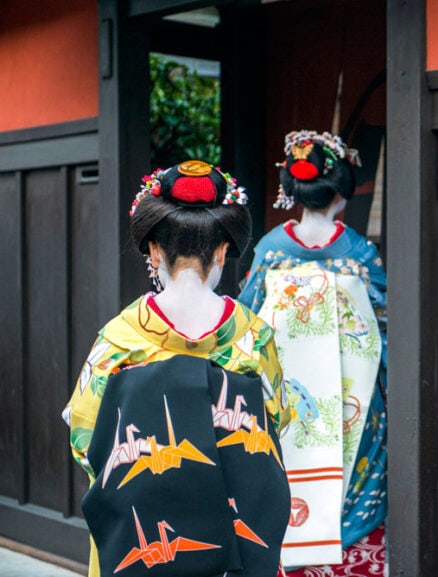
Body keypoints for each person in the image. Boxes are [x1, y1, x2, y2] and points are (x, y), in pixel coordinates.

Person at [63, 160, 291, 577]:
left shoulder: (119, 340)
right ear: (222, 251)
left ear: (154, 250)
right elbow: (277, 423)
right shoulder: (253, 337)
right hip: (236, 534)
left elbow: (84, 436)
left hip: (141, 537)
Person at [238, 130, 387, 576]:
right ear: (342, 191)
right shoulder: (359, 254)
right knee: (354, 472)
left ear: (291, 190)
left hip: (288, 400)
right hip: (352, 399)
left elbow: (247, 326)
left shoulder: (269, 251)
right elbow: (386, 327)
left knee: (288, 476)